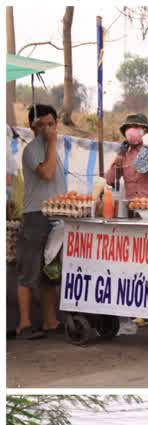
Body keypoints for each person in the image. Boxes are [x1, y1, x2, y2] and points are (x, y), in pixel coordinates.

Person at [15, 104, 67, 339]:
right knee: (29, 270)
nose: (47, 129)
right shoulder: (32, 149)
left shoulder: (54, 149)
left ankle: (50, 321)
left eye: (50, 124)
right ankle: (24, 324)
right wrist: (52, 142)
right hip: (36, 214)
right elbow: (46, 174)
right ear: (32, 126)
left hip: (57, 215)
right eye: (42, 124)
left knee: (49, 272)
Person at [105, 113, 148, 200]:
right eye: (129, 127)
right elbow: (109, 181)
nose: (131, 130)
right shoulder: (124, 154)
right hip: (131, 206)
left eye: (135, 126)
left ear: (145, 131)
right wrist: (117, 162)